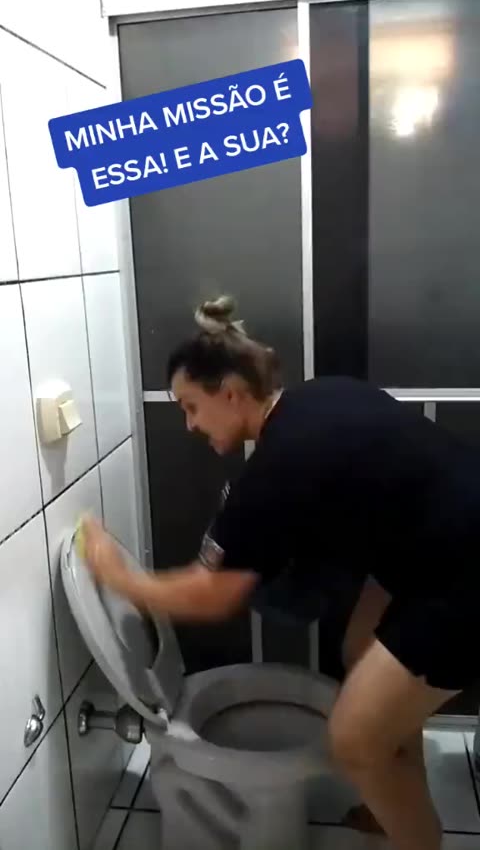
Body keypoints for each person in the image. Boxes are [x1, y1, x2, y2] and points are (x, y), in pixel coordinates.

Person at [82, 295, 480, 850]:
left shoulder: (276, 467)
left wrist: (117, 575)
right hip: (442, 547)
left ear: (231, 392)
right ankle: (392, 797)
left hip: (462, 577)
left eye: (191, 406)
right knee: (361, 648)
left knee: (353, 741)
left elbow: (212, 595)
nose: (190, 424)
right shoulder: (320, 398)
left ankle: (418, 838)